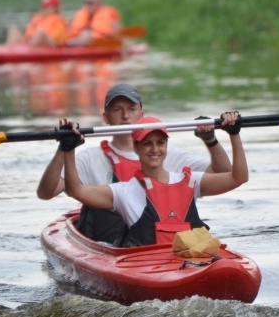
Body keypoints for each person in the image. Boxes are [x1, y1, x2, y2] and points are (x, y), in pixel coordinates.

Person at [36, 83, 232, 245]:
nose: (125, 117)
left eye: (131, 109)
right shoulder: (89, 158)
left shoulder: (165, 152)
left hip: (156, 245)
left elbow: (225, 173)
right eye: (117, 110)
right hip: (105, 245)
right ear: (106, 117)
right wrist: (64, 149)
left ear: (141, 115)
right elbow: (46, 193)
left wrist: (210, 140)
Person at [59, 113, 248, 247]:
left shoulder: (191, 181)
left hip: (188, 264)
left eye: (160, 143)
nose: (154, 149)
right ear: (136, 148)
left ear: (167, 145)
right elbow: (76, 190)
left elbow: (239, 177)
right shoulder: (125, 192)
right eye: (147, 144)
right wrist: (68, 150)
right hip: (148, 268)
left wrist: (234, 135)